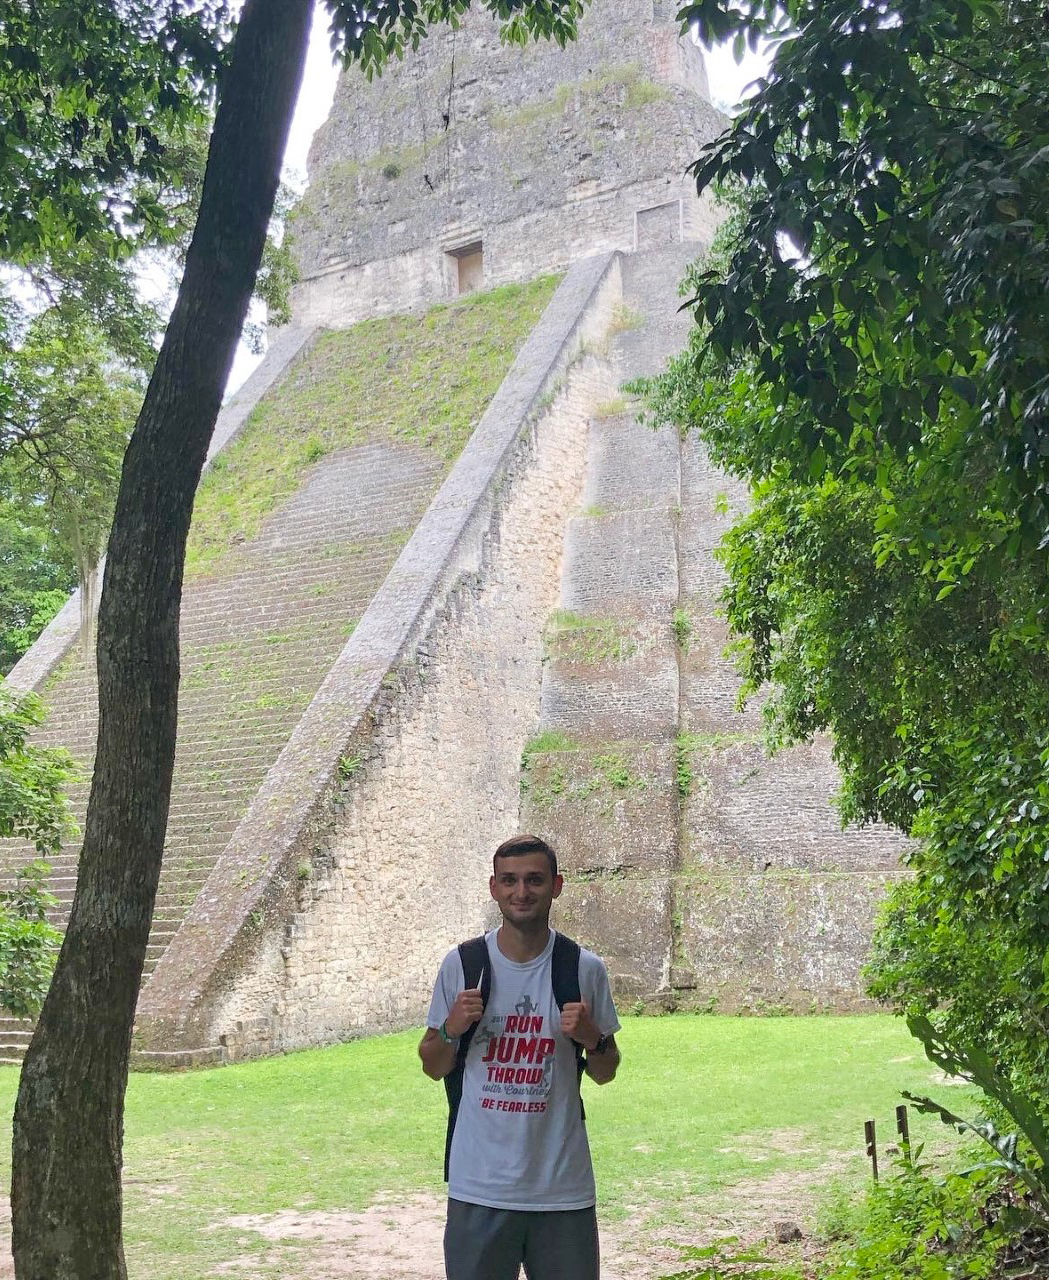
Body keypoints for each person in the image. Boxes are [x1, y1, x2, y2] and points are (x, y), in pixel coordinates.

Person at [419, 833, 621, 1280]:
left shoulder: (583, 968)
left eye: (534, 880)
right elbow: (433, 1064)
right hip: (479, 1187)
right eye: (509, 881)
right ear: (494, 888)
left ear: (557, 885)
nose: (521, 892)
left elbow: (606, 1072)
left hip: (561, 1189)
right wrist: (452, 1028)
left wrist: (594, 1039)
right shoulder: (463, 965)